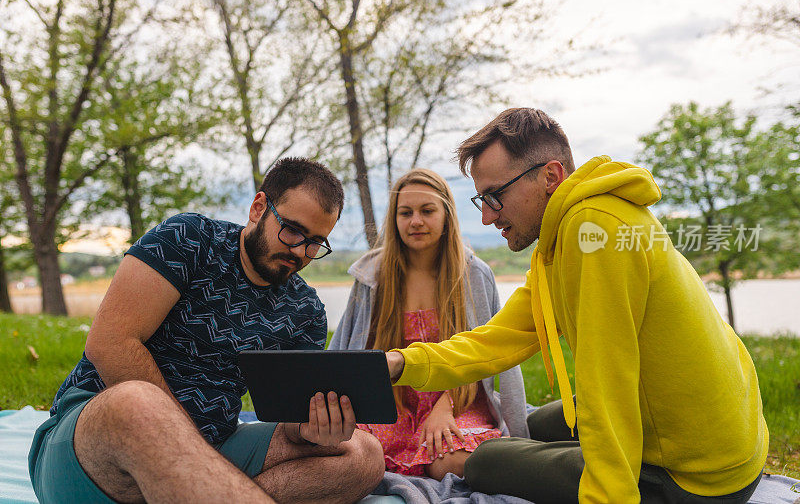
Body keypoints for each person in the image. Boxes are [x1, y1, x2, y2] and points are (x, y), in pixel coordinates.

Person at [385, 108, 768, 503]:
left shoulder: (594, 232)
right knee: (533, 423)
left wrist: (608, 495)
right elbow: (498, 339)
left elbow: (608, 380)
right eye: (481, 199)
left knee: (486, 460)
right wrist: (404, 363)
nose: (486, 217)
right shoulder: (566, 237)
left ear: (551, 176)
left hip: (696, 476)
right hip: (723, 435)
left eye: (495, 196)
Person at [28, 158, 385, 504]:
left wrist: (313, 428)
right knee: (137, 400)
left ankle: (197, 491)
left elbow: (292, 420)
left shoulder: (306, 311)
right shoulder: (189, 239)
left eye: (315, 243)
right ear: (259, 207)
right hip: (96, 443)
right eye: (292, 230)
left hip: (214, 446)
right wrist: (184, 443)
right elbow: (109, 344)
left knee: (364, 453)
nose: (300, 251)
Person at [329, 168, 528, 481]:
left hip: (457, 400)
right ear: (394, 219)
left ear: (447, 215)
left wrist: (445, 407)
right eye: (405, 213)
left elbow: (488, 354)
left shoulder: (473, 274)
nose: (416, 221)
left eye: (427, 211)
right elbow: (344, 348)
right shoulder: (372, 276)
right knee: (358, 456)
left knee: (453, 460)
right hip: (391, 405)